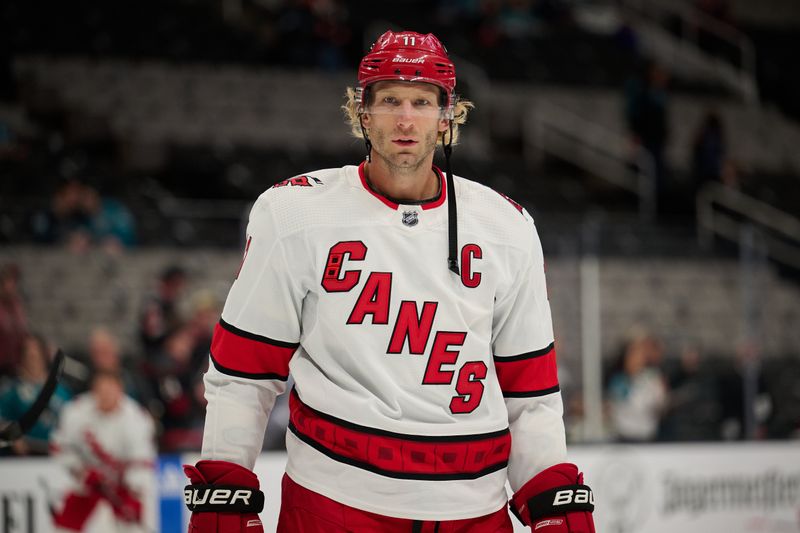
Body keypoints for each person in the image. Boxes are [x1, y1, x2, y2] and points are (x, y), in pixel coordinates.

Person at [183, 30, 595, 532]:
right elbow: (243, 374)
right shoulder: (293, 214)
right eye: (390, 100)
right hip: (333, 504)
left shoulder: (506, 226)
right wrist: (225, 487)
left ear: (447, 116)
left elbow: (530, 396)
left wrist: (554, 499)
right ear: (362, 111)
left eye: (422, 102)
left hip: (474, 511)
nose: (405, 119)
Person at [50, 370, 156, 532]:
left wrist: (133, 492)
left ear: (120, 390)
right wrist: (81, 473)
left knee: (133, 526)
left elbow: (142, 461)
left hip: (122, 487)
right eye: (100, 390)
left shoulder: (136, 419)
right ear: (93, 390)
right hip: (87, 484)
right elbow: (60, 448)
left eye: (110, 390)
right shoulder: (76, 411)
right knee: (65, 528)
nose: (105, 395)